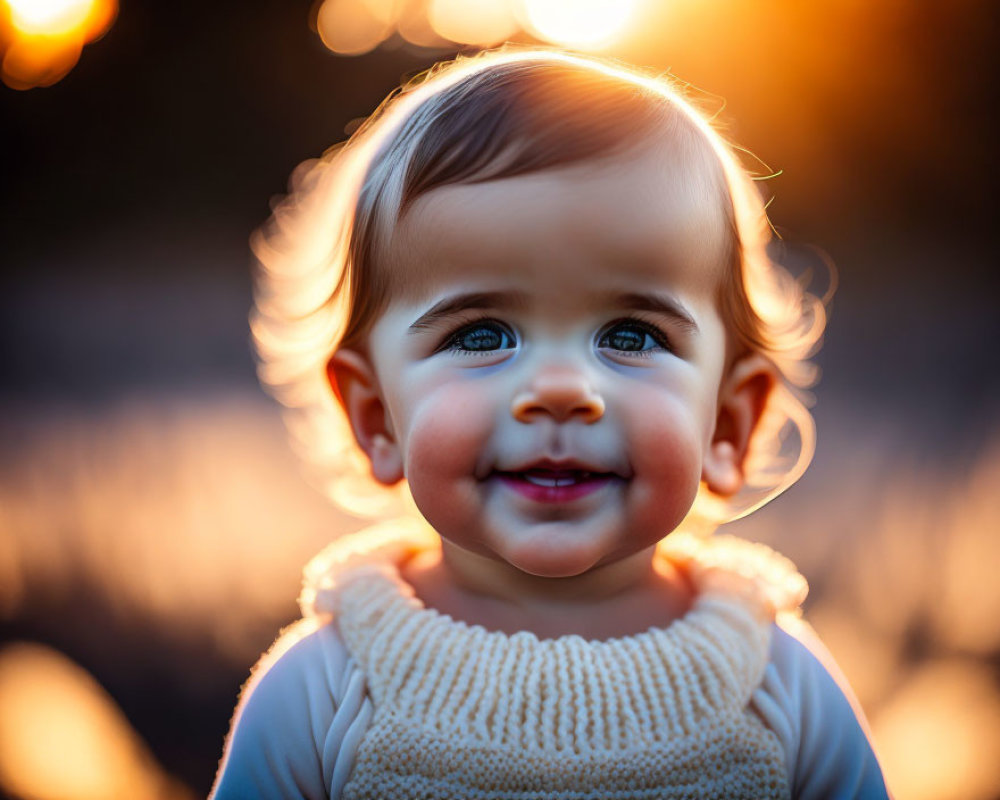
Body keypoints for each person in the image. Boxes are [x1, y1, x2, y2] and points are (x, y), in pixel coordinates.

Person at [211, 47, 890, 799]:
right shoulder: (325, 693)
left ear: (728, 423)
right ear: (376, 418)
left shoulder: (779, 687)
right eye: (481, 334)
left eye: (632, 336)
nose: (562, 391)